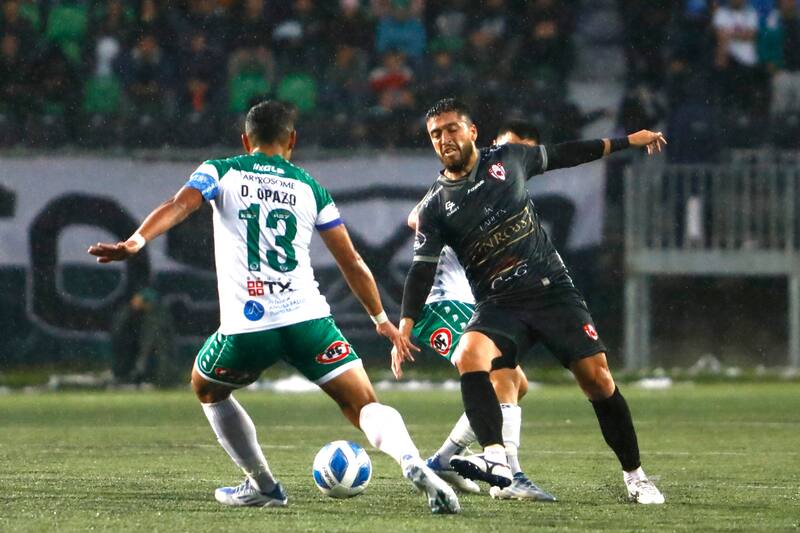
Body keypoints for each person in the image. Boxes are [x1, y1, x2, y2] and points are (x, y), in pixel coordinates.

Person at [88, 100, 459, 514]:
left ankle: (263, 484)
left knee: (207, 387)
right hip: (309, 319)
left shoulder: (221, 170)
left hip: (249, 328)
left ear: (246, 140)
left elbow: (181, 204)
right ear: (292, 141)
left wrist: (136, 241)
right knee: (363, 404)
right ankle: (410, 460)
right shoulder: (310, 186)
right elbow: (352, 262)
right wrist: (381, 321)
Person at [396, 97, 666, 504]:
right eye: (436, 134)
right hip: (499, 303)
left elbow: (566, 154)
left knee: (598, 380)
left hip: (550, 290)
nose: (444, 139)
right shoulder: (435, 204)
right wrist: (405, 323)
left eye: (452, 129)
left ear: (472, 132)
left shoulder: (509, 159)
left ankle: (636, 476)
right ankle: (497, 461)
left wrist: (628, 141)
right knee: (472, 355)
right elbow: (420, 269)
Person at [395, 120, 554, 501]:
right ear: (492, 144)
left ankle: (445, 460)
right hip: (440, 301)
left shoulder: (505, 191)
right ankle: (510, 475)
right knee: (504, 376)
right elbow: (416, 217)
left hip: (470, 301)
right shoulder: (458, 182)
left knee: (516, 383)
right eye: (512, 148)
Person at [109, 287, 176, 387]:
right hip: (138, 357)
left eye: (137, 299)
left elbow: (148, 344)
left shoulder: (155, 317)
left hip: (155, 364)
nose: (133, 301)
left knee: (160, 356)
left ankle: (156, 380)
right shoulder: (135, 314)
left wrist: (140, 364)